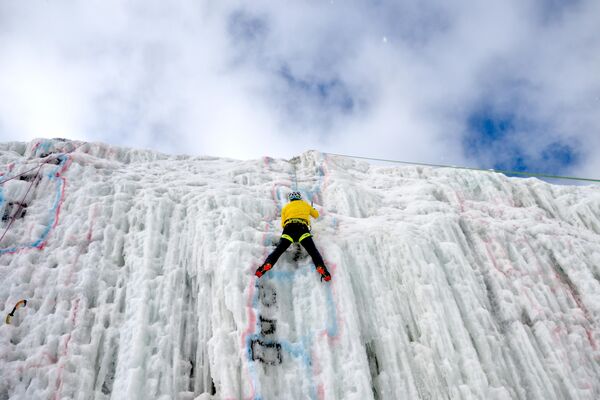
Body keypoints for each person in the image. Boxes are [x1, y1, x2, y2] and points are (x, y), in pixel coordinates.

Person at [255, 191, 331, 281]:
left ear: (290, 199)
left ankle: (266, 265)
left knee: (278, 250)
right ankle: (321, 268)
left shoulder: (286, 207)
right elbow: (316, 215)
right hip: (302, 229)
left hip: (289, 229)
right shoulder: (305, 204)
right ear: (299, 198)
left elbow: (283, 224)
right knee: (313, 251)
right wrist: (312, 209)